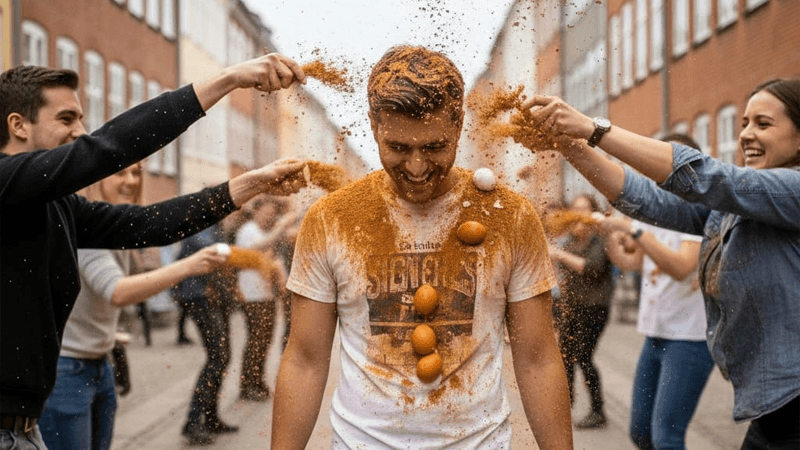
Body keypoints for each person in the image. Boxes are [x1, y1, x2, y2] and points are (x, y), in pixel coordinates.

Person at [271, 45, 573, 450]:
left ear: (460, 125)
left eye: (434, 147)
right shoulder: (330, 220)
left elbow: (537, 358)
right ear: (374, 125)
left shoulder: (510, 215)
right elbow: (305, 360)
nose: (416, 166)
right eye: (398, 148)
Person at [0, 54, 307, 450]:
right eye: (66, 119)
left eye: (81, 119)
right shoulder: (5, 183)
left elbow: (149, 224)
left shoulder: (58, 205)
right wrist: (229, 79)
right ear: (17, 125)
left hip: (24, 426)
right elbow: (108, 148)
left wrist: (248, 186)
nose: (80, 131)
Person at [521, 78, 800, 449]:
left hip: (792, 404)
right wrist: (567, 145)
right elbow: (646, 199)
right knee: (643, 432)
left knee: (666, 438)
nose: (747, 134)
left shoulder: (792, 191)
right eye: (745, 122)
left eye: (763, 124)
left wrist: (592, 128)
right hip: (773, 411)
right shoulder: (738, 208)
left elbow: (705, 177)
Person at [37, 162, 230, 450]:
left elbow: (84, 300)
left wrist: (113, 343)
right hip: (67, 372)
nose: (131, 180)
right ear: (96, 177)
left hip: (98, 364)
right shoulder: (90, 232)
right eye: (119, 172)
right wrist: (189, 265)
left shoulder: (113, 227)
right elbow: (117, 292)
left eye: (136, 172)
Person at [595, 133, 714, 450]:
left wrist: (634, 230)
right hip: (655, 334)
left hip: (689, 339)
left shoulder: (698, 212)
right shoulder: (655, 213)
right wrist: (608, 233)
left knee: (667, 438)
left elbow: (680, 266)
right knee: (639, 432)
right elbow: (630, 263)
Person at [173, 219, 242, 446]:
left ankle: (210, 418)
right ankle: (192, 423)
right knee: (217, 357)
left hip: (215, 297)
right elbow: (215, 252)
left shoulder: (217, 227)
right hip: (199, 297)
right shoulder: (200, 225)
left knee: (222, 356)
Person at [548, 194, 613, 429]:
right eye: (576, 208)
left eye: (585, 208)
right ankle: (566, 405)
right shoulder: (572, 239)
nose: (580, 213)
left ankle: (598, 410)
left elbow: (593, 268)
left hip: (595, 308)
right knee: (564, 357)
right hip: (572, 306)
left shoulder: (601, 239)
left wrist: (560, 255)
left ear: (593, 211)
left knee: (584, 357)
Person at [235, 195, 288, 402]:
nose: (271, 215)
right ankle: (248, 384)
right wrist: (281, 226)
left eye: (273, 212)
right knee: (256, 340)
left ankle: (257, 381)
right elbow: (260, 246)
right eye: (267, 211)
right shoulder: (247, 230)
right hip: (251, 295)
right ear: (256, 211)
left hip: (265, 294)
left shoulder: (262, 231)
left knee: (265, 340)